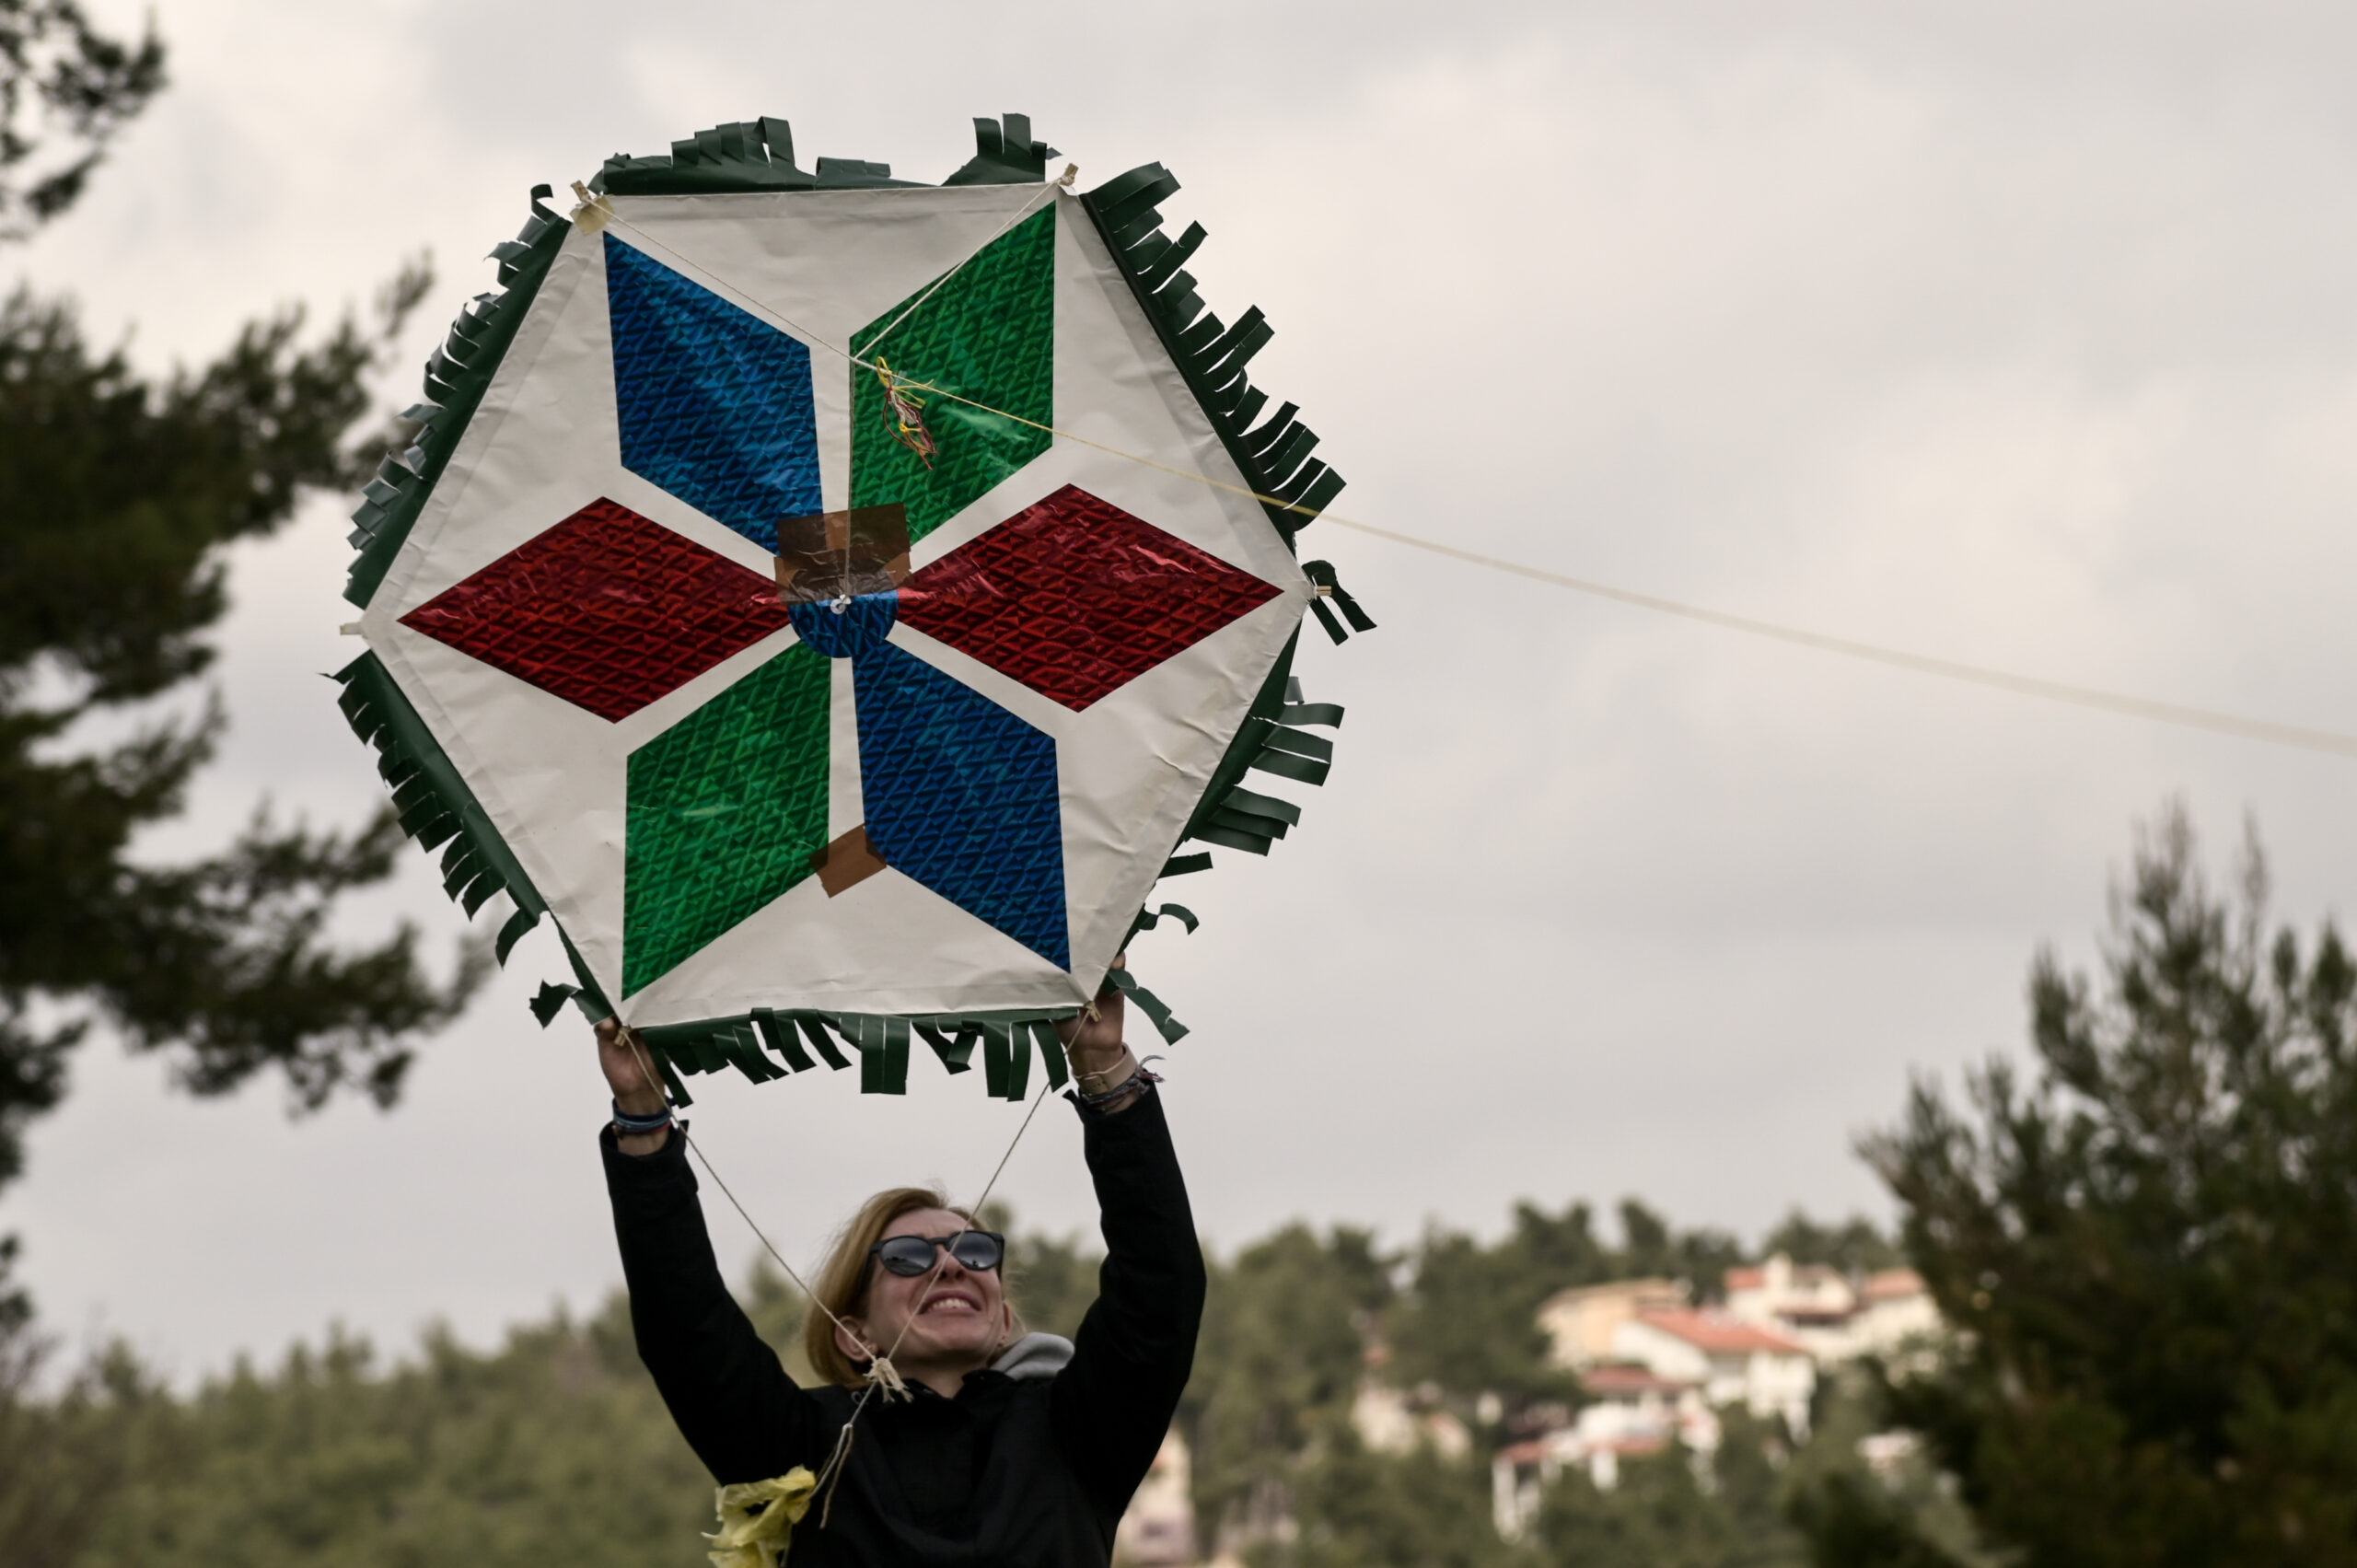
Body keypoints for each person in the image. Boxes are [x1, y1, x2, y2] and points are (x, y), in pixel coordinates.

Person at [596, 972, 1205, 1567]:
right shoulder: (805, 1450)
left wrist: (1105, 1069)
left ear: (1003, 1322)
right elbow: (687, 1330)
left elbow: (1159, 1285)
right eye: (908, 1257)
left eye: (974, 1251)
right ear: (855, 1332)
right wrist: (644, 1119)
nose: (950, 1266)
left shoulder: (1074, 1434)